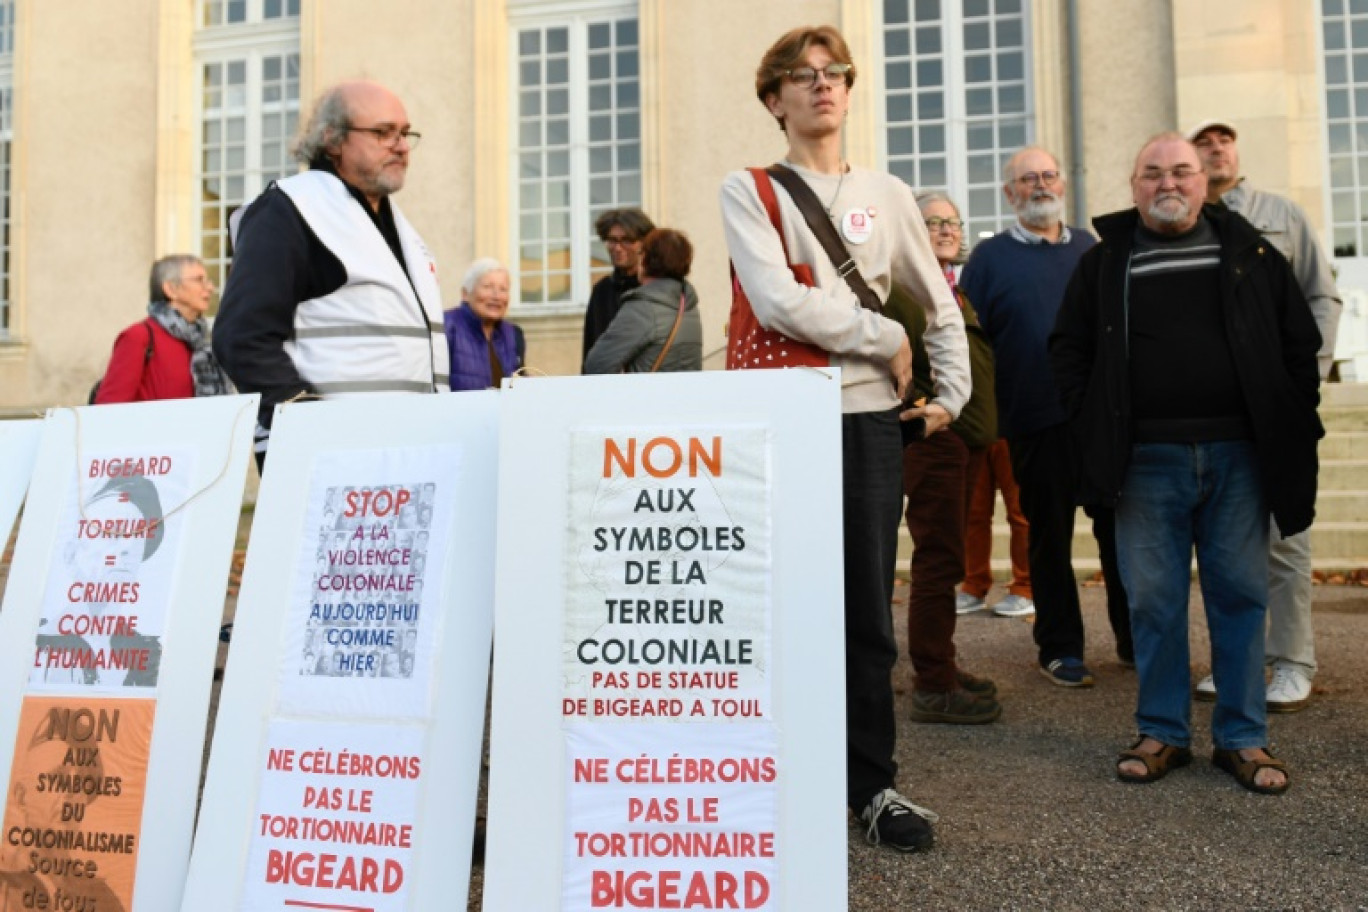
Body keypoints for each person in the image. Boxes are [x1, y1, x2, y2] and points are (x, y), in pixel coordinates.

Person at [721, 25, 970, 852]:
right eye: (802, 75)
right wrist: (882, 337)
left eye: (836, 74)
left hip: (865, 421)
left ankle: (872, 784)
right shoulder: (748, 188)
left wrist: (952, 395)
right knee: (774, 601)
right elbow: (777, 302)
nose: (823, 86)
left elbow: (935, 303)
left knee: (865, 608)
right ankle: (771, 774)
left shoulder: (888, 192)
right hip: (781, 413)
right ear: (774, 99)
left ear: (850, 91)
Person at [1051, 132, 1322, 795]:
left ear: (1206, 182)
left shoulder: (1252, 254)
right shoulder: (1105, 261)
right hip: (1144, 461)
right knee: (1153, 601)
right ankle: (1162, 731)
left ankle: (1242, 736)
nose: (1166, 184)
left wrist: (1287, 415)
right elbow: (1069, 349)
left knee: (1240, 596)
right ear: (1133, 185)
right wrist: (1093, 422)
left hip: (1239, 457)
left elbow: (1298, 344)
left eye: (1181, 172)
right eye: (1151, 174)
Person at [959, 145, 1132, 687]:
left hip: (1097, 419)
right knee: (1049, 539)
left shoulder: (1089, 248)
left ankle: (1134, 642)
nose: (1040, 185)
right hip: (1032, 419)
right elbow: (972, 340)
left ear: (1063, 185)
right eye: (1027, 179)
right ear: (1009, 194)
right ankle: (1060, 648)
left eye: (1048, 175)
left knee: (1120, 535)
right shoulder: (987, 262)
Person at [1189, 119, 1343, 712]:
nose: (1216, 150)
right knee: (1229, 544)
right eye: (1203, 144)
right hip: (1216, 410)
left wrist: (1305, 379)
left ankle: (1292, 661)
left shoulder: (1280, 214)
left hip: (1275, 405)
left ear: (1236, 152)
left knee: (1285, 534)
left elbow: (1321, 296)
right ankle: (1242, 662)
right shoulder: (1186, 223)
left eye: (1224, 141)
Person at [212, 80, 448, 466]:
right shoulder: (290, 209)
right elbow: (241, 335)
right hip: (327, 456)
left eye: (405, 134)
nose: (401, 146)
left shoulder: (402, 230)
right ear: (333, 140)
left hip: (408, 449)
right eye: (383, 132)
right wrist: (304, 419)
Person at [890, 192, 1001, 724]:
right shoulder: (906, 290)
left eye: (953, 221)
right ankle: (933, 684)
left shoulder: (951, 287)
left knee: (948, 559)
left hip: (965, 441)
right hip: (935, 441)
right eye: (931, 221)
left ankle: (944, 668)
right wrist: (926, 411)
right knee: (937, 563)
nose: (945, 229)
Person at [94, 255, 232, 404]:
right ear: (171, 289)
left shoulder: (204, 342)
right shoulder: (139, 337)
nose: (210, 288)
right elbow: (109, 406)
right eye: (199, 280)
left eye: (208, 281)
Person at [583, 228, 702, 374]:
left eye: (641, 253)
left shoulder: (642, 308)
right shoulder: (688, 304)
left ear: (646, 259)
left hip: (648, 395)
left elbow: (597, 364)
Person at [957, 439, 1033, 619]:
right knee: (974, 513)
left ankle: (1026, 587)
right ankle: (974, 584)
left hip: (1012, 430)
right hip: (977, 429)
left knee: (1020, 512)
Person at [582, 207, 655, 367]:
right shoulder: (601, 291)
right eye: (612, 240)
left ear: (643, 243)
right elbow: (591, 349)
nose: (617, 247)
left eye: (627, 240)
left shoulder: (655, 289)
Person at [445, 258, 526, 391]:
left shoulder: (513, 334)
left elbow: (520, 383)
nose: (497, 296)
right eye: (488, 287)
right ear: (465, 293)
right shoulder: (446, 327)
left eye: (503, 289)